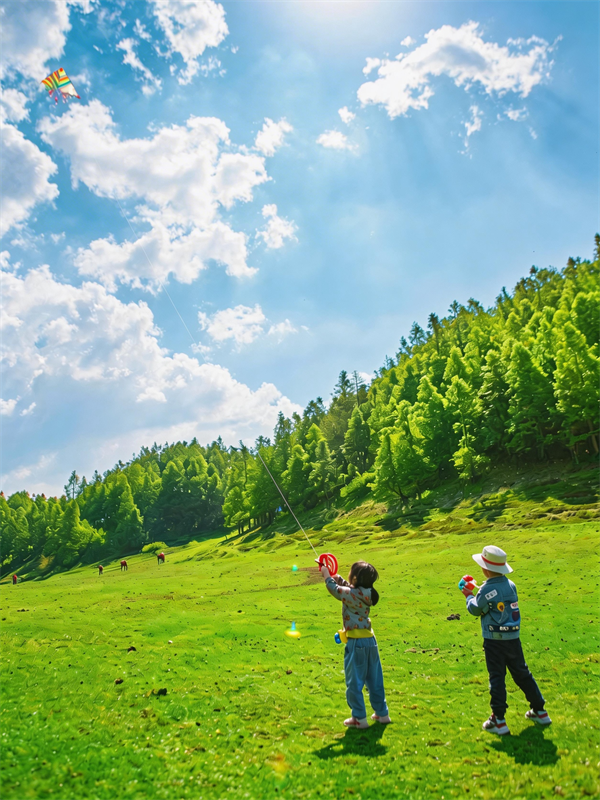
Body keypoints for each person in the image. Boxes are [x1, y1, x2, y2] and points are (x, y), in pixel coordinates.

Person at [460, 545, 551, 736]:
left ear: (485, 569)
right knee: (522, 673)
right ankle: (540, 710)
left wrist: (469, 595)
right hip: (513, 638)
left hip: (494, 640)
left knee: (497, 677)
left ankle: (498, 720)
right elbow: (497, 601)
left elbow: (476, 609)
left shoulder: (487, 589)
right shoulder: (510, 585)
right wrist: (480, 591)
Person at [320, 559, 390, 729]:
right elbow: (349, 588)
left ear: (356, 578)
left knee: (354, 682)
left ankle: (359, 718)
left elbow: (336, 590)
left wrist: (326, 576)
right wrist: (337, 577)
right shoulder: (367, 592)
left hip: (356, 643)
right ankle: (382, 714)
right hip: (370, 642)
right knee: (375, 679)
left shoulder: (351, 594)